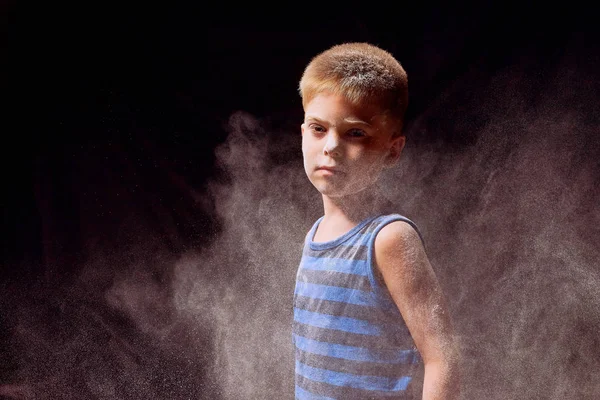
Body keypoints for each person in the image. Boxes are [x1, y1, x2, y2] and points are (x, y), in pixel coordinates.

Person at [292, 42, 460, 399]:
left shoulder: (388, 238)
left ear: (392, 149)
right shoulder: (314, 235)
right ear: (303, 133)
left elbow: (442, 358)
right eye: (319, 128)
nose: (331, 147)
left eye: (355, 133)